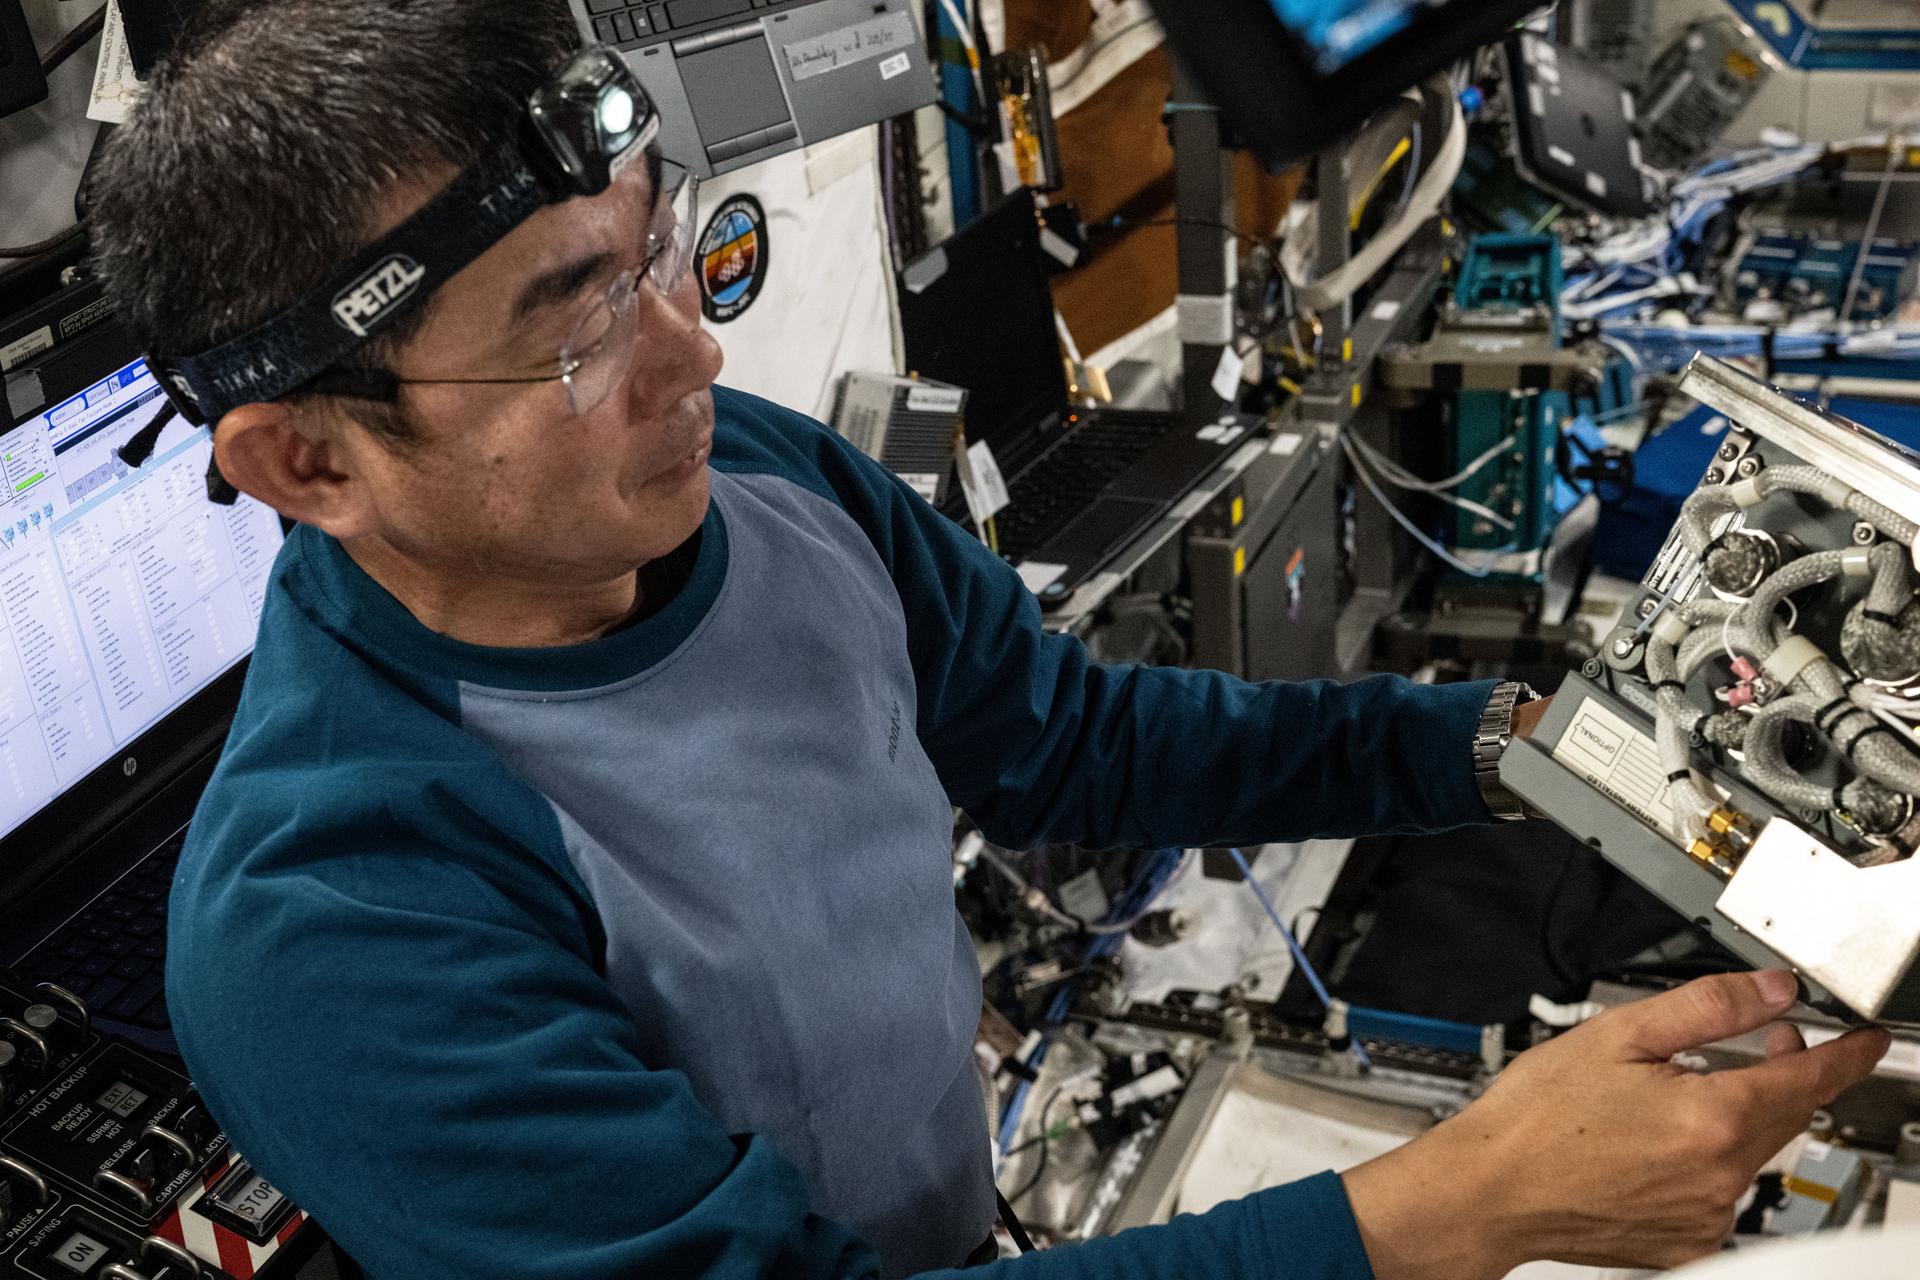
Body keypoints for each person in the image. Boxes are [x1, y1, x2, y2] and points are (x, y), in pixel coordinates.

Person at [84, 2, 1889, 1277]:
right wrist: (1454, 1211)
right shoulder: (337, 917)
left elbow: (1069, 742)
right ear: (307, 458)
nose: (693, 356)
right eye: (576, 334)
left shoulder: (753, 491)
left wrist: (1493, 743)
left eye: (656, 261)